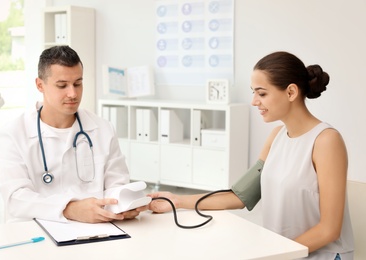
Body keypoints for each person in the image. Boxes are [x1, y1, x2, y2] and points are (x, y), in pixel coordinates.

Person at [148, 51, 354, 260]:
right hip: (283, 252)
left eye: (262, 93)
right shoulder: (276, 137)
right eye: (253, 92)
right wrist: (177, 201)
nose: (254, 101)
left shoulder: (326, 141)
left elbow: (329, 230)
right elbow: (239, 195)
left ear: (291, 92)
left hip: (321, 255)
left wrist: (273, 254)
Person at [0, 45, 145, 223]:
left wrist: (122, 204)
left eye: (78, 83)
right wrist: (69, 209)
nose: (73, 93)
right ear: (40, 85)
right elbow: (16, 198)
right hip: (35, 231)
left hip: (95, 230)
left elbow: (116, 183)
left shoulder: (103, 129)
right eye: (62, 85)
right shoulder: (14, 133)